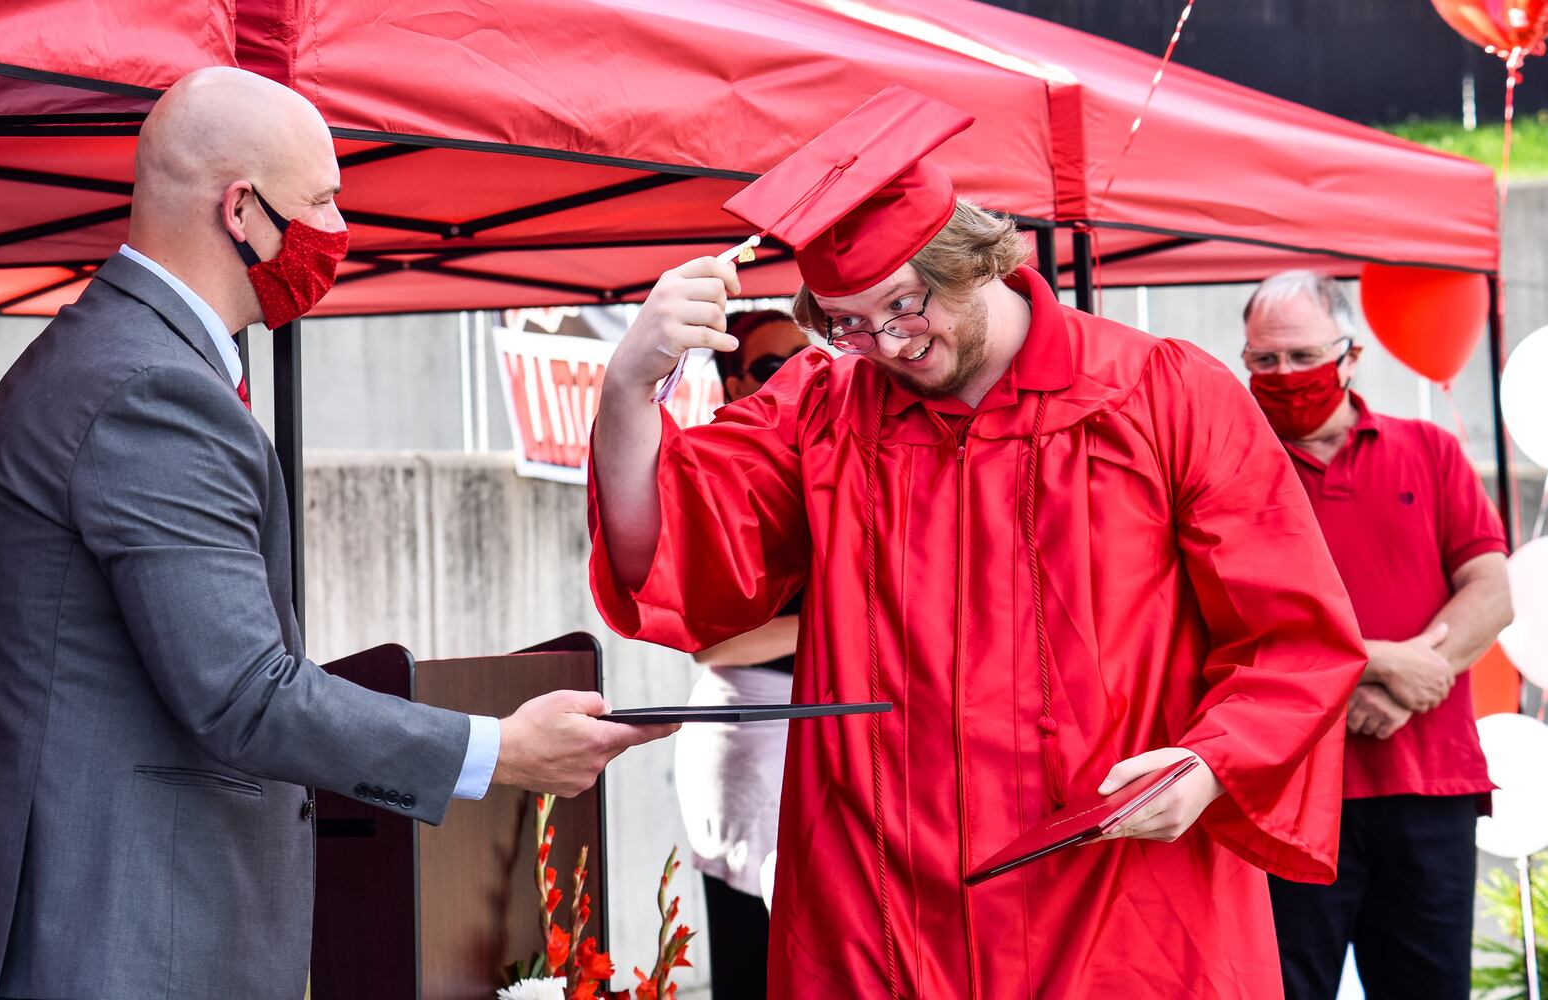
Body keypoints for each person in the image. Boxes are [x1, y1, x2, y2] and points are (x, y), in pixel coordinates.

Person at [0, 67, 673, 1000]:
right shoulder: (153, 388)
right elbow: (244, 695)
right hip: (124, 931)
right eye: (322, 203)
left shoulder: (109, 355)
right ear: (242, 210)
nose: (338, 234)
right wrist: (499, 749)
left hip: (102, 915)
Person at [586, 85, 1367, 999]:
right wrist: (627, 394)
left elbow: (1295, 637)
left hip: (1112, 883)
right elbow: (681, 549)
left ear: (973, 260)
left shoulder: (1161, 394)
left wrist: (1208, 764)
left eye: (904, 305)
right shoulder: (824, 408)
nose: (883, 342)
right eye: (846, 322)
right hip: (877, 897)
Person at [1242, 271, 1514, 1000]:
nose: (1283, 376)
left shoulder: (1427, 449)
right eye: (1263, 361)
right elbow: (1230, 620)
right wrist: (1381, 662)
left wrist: (1408, 688)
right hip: (1287, 798)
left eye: (1301, 356)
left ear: (1350, 354)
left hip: (1428, 787)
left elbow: (1491, 591)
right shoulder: (1232, 471)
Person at [674, 310, 812, 1000]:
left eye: (801, 357)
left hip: (818, 726)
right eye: (768, 367)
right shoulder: (717, 473)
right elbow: (711, 643)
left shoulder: (821, 458)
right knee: (752, 952)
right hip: (751, 727)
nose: (790, 376)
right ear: (732, 381)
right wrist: (832, 621)